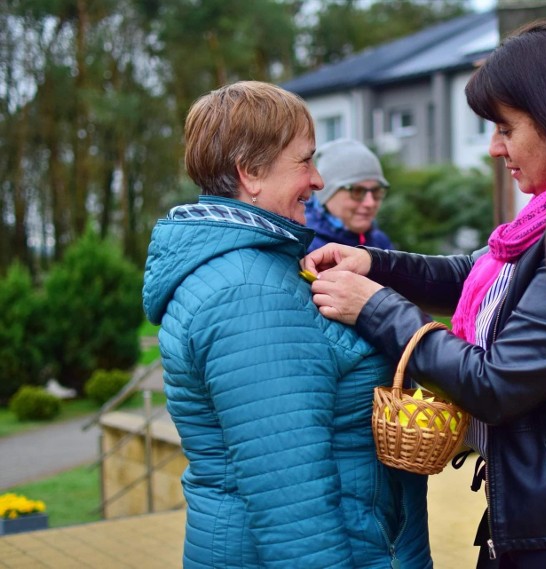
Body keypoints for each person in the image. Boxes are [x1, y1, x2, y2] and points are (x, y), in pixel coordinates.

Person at [303, 21, 546, 568]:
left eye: (505, 128)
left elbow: (495, 382)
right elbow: (482, 275)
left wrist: (374, 308)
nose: (494, 148)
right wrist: (376, 264)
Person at [141, 81, 431, 569]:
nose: (318, 181)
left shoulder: (262, 266)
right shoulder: (249, 293)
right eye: (305, 161)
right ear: (250, 173)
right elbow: (293, 505)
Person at [304, 138, 392, 252]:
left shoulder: (380, 241)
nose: (370, 203)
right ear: (326, 194)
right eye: (357, 191)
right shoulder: (305, 248)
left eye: (376, 191)